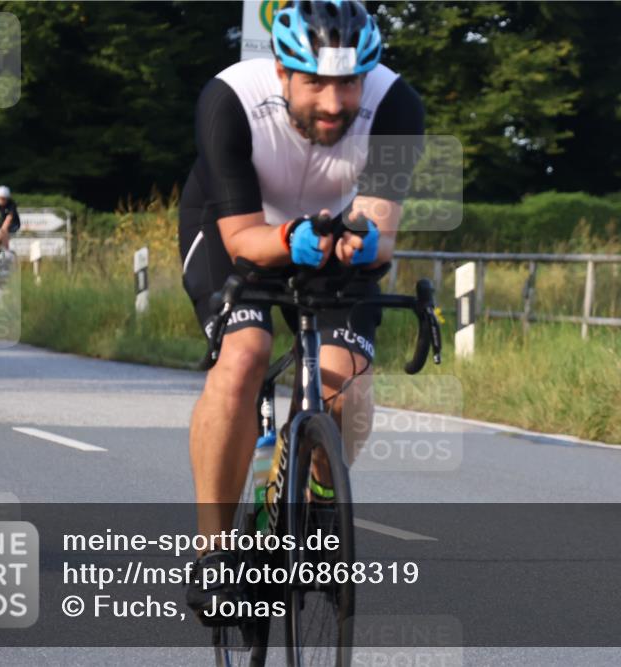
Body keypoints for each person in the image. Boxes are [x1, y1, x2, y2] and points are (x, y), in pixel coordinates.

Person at [178, 0, 424, 623]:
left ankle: (314, 496)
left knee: (344, 384)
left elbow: (381, 236)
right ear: (283, 74)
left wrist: (365, 244)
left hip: (332, 234)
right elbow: (242, 241)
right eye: (315, 83)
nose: (334, 104)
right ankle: (214, 552)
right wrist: (291, 240)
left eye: (348, 84)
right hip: (239, 228)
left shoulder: (397, 106)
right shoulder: (228, 99)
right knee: (245, 356)